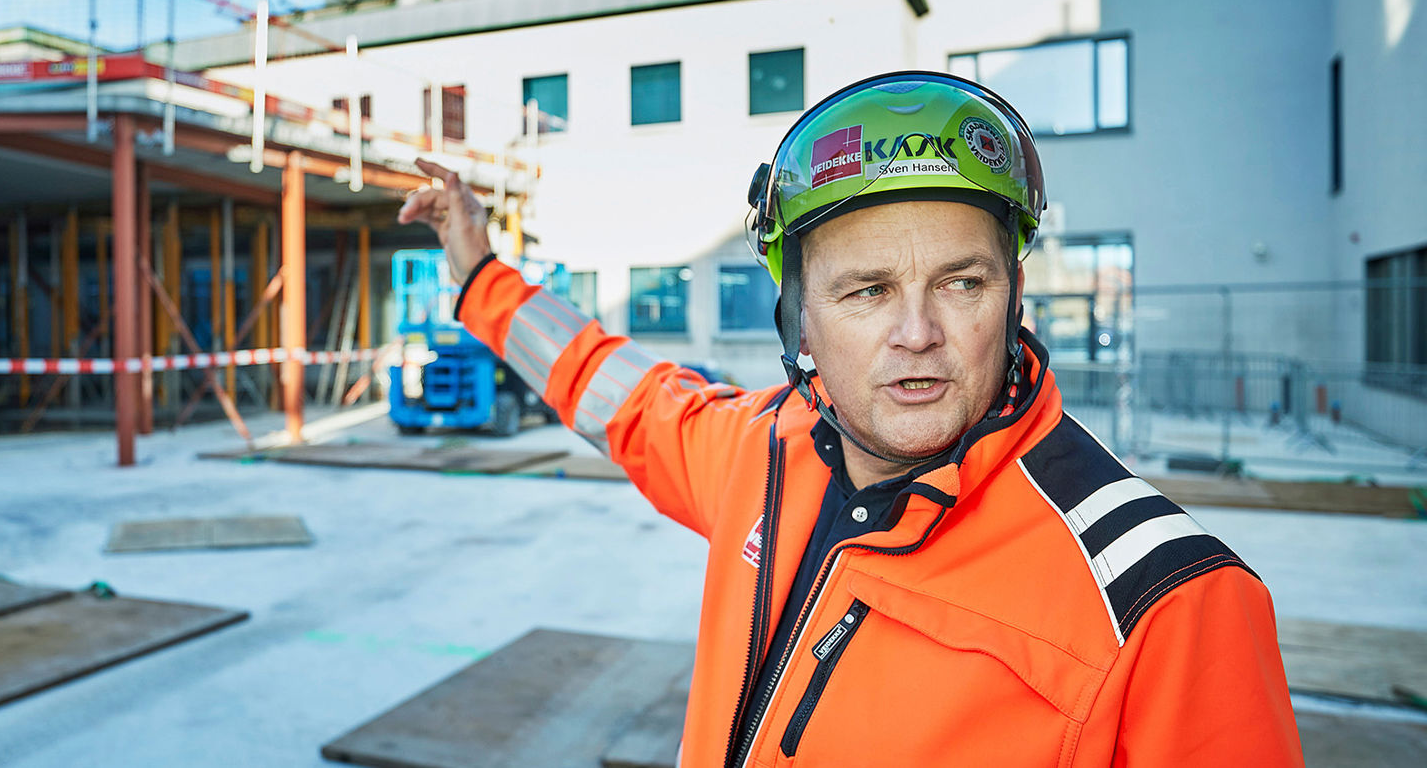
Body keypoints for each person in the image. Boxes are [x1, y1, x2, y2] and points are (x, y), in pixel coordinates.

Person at [400, 71, 1303, 767]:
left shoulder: (1167, 604)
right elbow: (612, 388)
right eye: (867, 291)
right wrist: (481, 274)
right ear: (800, 322)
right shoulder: (757, 449)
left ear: (1013, 296)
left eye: (962, 282)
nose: (918, 334)